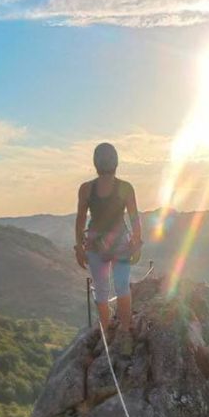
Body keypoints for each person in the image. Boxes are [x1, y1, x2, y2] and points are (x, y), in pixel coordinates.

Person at [75, 143, 142, 354]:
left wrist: (79, 247)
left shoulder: (86, 189)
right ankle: (124, 333)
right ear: (116, 162)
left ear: (96, 163)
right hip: (121, 243)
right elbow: (134, 218)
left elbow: (79, 220)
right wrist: (137, 244)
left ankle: (104, 330)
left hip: (96, 245)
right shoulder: (125, 187)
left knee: (102, 291)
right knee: (122, 286)